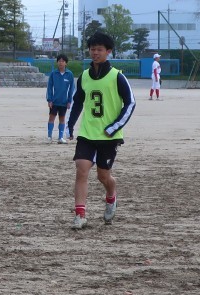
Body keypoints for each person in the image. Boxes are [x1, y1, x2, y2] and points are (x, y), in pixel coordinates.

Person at [67, 32, 136, 230]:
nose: (95, 53)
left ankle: (111, 195)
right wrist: (70, 124)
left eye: (99, 49)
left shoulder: (117, 77)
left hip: (109, 136)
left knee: (103, 176)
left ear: (108, 51)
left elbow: (130, 103)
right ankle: (80, 215)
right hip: (87, 133)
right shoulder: (84, 77)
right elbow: (78, 101)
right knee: (81, 169)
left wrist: (114, 127)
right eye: (92, 49)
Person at [46, 53, 75, 144]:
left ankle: (60, 137)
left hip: (64, 101)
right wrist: (49, 99)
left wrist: (69, 101)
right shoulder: (53, 74)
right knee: (51, 118)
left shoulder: (69, 74)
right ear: (57, 62)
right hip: (54, 101)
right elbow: (49, 87)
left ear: (66, 63)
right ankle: (49, 136)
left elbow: (72, 89)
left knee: (62, 118)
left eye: (63, 61)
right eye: (59, 61)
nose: (61, 63)